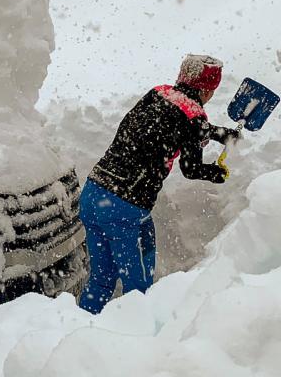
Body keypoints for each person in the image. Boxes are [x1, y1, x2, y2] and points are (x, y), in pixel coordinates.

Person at [77, 54, 241, 314]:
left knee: (101, 279)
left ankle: (79, 327)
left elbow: (172, 122)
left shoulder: (157, 93)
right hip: (125, 208)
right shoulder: (193, 117)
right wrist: (217, 173)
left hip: (93, 194)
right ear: (207, 89)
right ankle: (137, 337)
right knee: (138, 289)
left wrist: (220, 134)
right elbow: (191, 169)